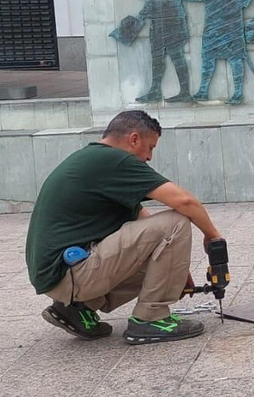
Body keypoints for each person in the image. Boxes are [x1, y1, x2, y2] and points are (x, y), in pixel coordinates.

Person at [25, 109, 224, 345]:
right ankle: (150, 319)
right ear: (134, 139)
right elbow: (184, 202)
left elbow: (145, 222)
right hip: (71, 275)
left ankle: (77, 309)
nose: (149, 157)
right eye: (150, 147)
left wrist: (177, 269)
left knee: (166, 231)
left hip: (61, 277)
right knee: (177, 220)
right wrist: (213, 238)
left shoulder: (95, 160)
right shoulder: (116, 160)